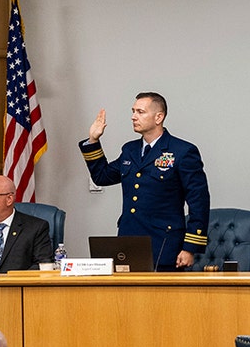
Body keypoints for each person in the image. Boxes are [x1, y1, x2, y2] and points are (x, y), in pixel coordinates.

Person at [79, 91, 210, 271]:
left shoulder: (182, 151)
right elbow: (102, 176)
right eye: (133, 111)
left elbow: (199, 202)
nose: (133, 117)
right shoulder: (130, 150)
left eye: (140, 112)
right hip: (128, 242)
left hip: (165, 244)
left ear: (158, 117)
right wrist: (93, 139)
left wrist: (190, 248)